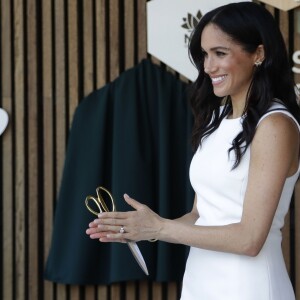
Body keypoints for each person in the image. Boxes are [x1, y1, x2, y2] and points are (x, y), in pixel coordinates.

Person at [86, 2, 300, 299]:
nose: (208, 66)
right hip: (201, 280)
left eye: (220, 53)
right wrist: (141, 229)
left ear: (259, 54)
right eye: (204, 54)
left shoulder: (275, 125)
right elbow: (200, 215)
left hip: (249, 286)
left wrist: (160, 228)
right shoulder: (215, 120)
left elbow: (250, 239)